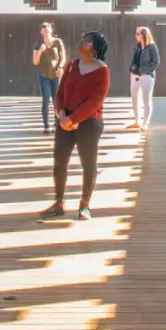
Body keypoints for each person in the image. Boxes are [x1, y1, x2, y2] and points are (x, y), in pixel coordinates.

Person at [40, 31, 110, 221]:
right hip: (65, 119)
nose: (82, 41)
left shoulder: (102, 71)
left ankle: (84, 205)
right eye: (83, 37)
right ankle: (59, 202)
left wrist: (73, 120)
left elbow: (95, 102)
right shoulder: (71, 65)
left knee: (88, 165)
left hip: (89, 122)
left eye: (87, 41)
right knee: (60, 162)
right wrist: (62, 114)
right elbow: (60, 92)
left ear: (94, 49)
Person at [32, 22, 67, 135]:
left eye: (48, 26)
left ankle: (57, 123)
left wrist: (60, 67)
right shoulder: (38, 44)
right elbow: (35, 61)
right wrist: (40, 51)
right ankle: (46, 125)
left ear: (51, 29)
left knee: (57, 100)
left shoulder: (57, 42)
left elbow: (62, 57)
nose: (46, 28)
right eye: (43, 26)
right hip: (44, 76)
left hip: (56, 75)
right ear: (41, 31)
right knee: (46, 99)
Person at [128, 26, 160, 131]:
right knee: (134, 99)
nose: (136, 36)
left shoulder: (152, 47)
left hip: (147, 76)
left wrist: (144, 70)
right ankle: (137, 121)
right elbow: (134, 60)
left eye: (138, 34)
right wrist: (131, 70)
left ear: (144, 35)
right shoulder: (137, 46)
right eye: (136, 33)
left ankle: (145, 123)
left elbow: (156, 63)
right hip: (135, 76)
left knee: (146, 100)